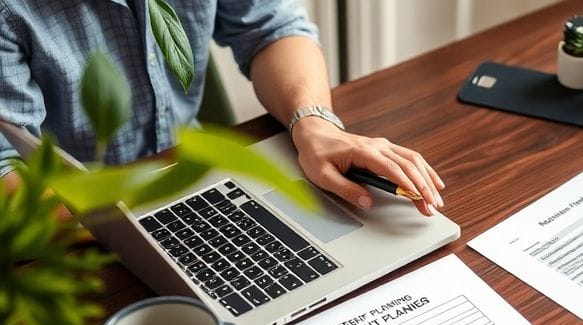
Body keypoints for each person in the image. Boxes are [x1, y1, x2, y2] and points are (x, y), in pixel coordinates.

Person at [0, 0, 443, 217]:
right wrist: (156, 202)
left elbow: (272, 28)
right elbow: (6, 173)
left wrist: (314, 122)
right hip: (70, 231)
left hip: (194, 186)